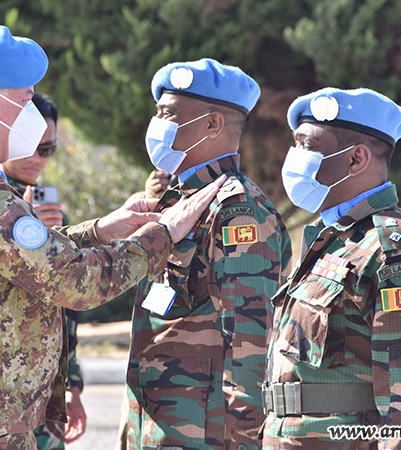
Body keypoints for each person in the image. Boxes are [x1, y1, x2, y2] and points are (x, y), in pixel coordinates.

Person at [0, 23, 224, 450]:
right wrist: (163, 234)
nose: (33, 116)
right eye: (25, 102)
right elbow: (75, 282)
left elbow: (8, 257)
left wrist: (100, 230)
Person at [262, 87, 401, 449]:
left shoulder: (395, 250)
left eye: (308, 145)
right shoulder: (332, 240)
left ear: (356, 159)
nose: (294, 157)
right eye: (295, 144)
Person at [123, 58, 292, 450]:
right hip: (157, 423)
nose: (157, 125)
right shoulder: (177, 203)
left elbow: (250, 336)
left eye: (167, 115)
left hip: (206, 432)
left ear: (213, 124)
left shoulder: (238, 212)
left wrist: (247, 437)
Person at [0, 94, 87, 448]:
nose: (37, 160)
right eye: (29, 148)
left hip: (46, 392)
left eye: (47, 149)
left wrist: (73, 385)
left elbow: (64, 310)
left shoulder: (52, 211)